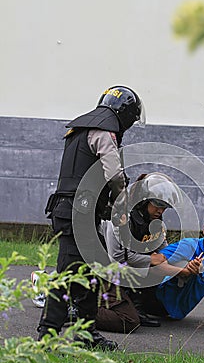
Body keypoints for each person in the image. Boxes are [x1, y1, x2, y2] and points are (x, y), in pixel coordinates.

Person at [37, 85, 145, 349]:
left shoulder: (79, 130)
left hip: (72, 211)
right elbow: (114, 175)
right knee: (68, 276)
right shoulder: (105, 132)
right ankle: (46, 338)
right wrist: (123, 200)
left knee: (88, 275)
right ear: (125, 114)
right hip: (78, 214)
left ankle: (86, 335)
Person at [96, 172, 182, 332]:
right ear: (143, 200)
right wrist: (151, 260)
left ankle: (138, 307)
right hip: (104, 271)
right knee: (129, 321)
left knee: (158, 275)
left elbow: (164, 251)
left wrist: (184, 266)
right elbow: (116, 257)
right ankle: (76, 311)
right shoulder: (120, 216)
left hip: (123, 272)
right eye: (157, 205)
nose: (160, 211)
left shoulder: (155, 222)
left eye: (164, 207)